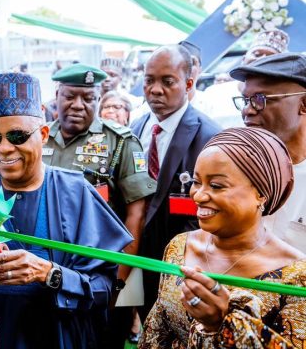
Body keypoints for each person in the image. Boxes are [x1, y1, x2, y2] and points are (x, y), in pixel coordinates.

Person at [0, 72, 132, 348]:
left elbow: (105, 288)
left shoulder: (76, 193)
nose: (4, 149)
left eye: (17, 136)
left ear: (43, 135)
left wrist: (49, 273)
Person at [140, 127, 306, 348]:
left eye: (216, 186)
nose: (198, 195)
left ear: (261, 194)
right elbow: (156, 333)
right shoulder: (180, 247)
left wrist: (221, 324)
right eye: (196, 181)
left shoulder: (296, 277)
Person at [45, 63, 156, 347]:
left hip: (102, 272)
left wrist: (119, 280)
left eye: (88, 98)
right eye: (70, 96)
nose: (78, 105)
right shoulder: (39, 138)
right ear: (57, 96)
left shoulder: (120, 141)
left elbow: (136, 214)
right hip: (49, 267)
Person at [131, 45, 221, 316]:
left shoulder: (209, 136)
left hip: (180, 266)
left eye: (167, 82)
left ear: (188, 84)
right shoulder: (134, 129)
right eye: (149, 80)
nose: (156, 90)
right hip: (131, 256)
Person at [229, 53, 306, 252]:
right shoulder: (235, 167)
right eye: (245, 100)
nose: (247, 110)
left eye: (260, 99)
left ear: (304, 104)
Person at [201, 28, 290, 129]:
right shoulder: (214, 92)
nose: (262, 59)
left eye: (270, 57)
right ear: (243, 59)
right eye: (257, 54)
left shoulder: (278, 101)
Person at [179, 40, 208, 113]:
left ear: (200, 69)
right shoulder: (157, 104)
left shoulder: (210, 104)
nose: (186, 67)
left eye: (191, 63)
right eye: (179, 62)